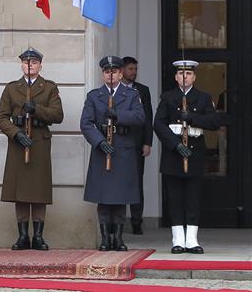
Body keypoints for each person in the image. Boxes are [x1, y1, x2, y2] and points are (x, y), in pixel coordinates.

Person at [0, 48, 63, 250]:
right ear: (21, 65)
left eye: (33, 62)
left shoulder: (49, 87)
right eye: (26, 62)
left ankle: (39, 236)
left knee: (39, 190)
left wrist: (37, 110)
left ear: (40, 65)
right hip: (19, 143)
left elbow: (58, 115)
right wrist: (16, 133)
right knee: (21, 191)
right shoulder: (11, 88)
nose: (30, 65)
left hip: (39, 142)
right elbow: (1, 117)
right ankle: (23, 236)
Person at [154, 60, 220, 254]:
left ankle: (191, 239)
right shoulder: (167, 97)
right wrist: (175, 145)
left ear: (194, 77)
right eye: (181, 73)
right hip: (173, 153)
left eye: (188, 74)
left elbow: (214, 122)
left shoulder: (203, 97)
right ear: (176, 77)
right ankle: (177, 239)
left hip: (195, 151)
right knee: (175, 198)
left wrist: (192, 118)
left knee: (193, 197)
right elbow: (158, 124)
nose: (185, 77)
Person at [80, 55, 145, 251]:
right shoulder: (94, 96)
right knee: (104, 198)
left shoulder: (131, 95)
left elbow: (140, 117)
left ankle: (118, 237)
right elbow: (86, 123)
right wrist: (99, 142)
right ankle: (105, 238)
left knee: (120, 197)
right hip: (103, 150)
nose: (111, 75)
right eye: (107, 72)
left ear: (120, 73)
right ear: (103, 74)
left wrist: (119, 115)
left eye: (114, 71)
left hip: (122, 149)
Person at [121, 56, 154, 235]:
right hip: (118, 143)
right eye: (130, 69)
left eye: (135, 69)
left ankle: (136, 221)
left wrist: (147, 142)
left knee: (136, 182)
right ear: (122, 70)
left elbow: (148, 118)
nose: (133, 72)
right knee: (117, 181)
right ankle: (116, 221)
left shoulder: (143, 90)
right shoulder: (114, 89)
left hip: (136, 143)